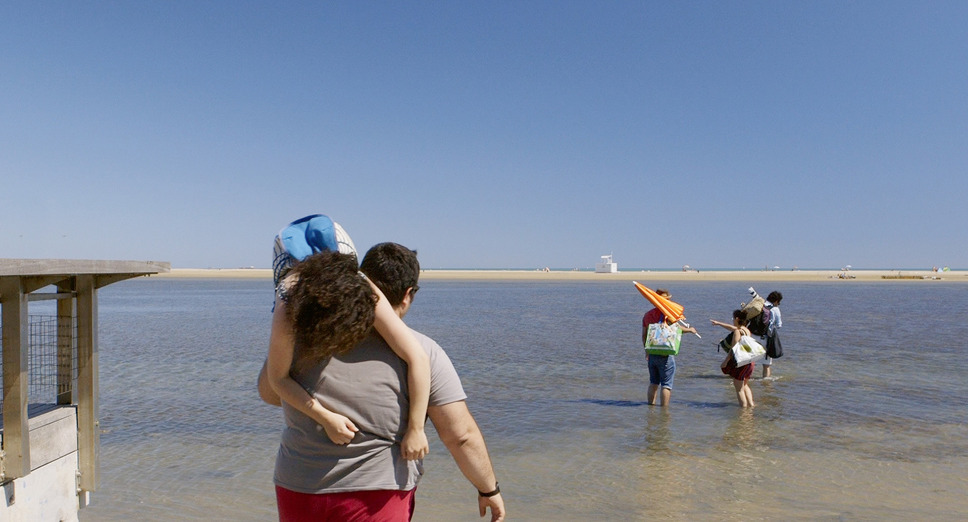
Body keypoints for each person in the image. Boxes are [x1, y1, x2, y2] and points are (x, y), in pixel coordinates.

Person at [259, 242, 506, 522]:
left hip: (298, 488)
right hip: (377, 494)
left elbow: (269, 392)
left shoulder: (305, 339)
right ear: (408, 295)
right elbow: (460, 436)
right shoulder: (424, 350)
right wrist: (489, 489)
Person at [264, 218, 431, 460]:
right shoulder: (288, 299)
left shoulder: (363, 287)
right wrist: (325, 417)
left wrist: (416, 429)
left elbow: (417, 357)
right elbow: (277, 378)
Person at [641, 289, 697, 406]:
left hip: (652, 353)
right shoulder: (669, 314)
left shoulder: (648, 315)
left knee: (653, 382)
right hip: (665, 354)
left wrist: (646, 351)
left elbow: (644, 335)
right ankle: (664, 412)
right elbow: (677, 329)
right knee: (666, 385)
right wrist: (690, 330)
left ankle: (650, 408)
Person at [711, 310, 755, 408]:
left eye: (733, 318)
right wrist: (718, 323)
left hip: (742, 362)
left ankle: (743, 411)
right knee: (745, 385)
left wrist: (725, 362)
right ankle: (751, 405)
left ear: (737, 319)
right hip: (750, 361)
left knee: (738, 387)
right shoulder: (746, 330)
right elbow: (732, 328)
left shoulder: (737, 332)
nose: (732, 321)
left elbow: (733, 349)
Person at [761, 291, 783, 378]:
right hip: (766, 338)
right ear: (776, 301)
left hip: (753, 336)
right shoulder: (775, 309)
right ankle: (766, 386)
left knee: (749, 361)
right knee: (766, 365)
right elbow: (779, 325)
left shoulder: (760, 305)